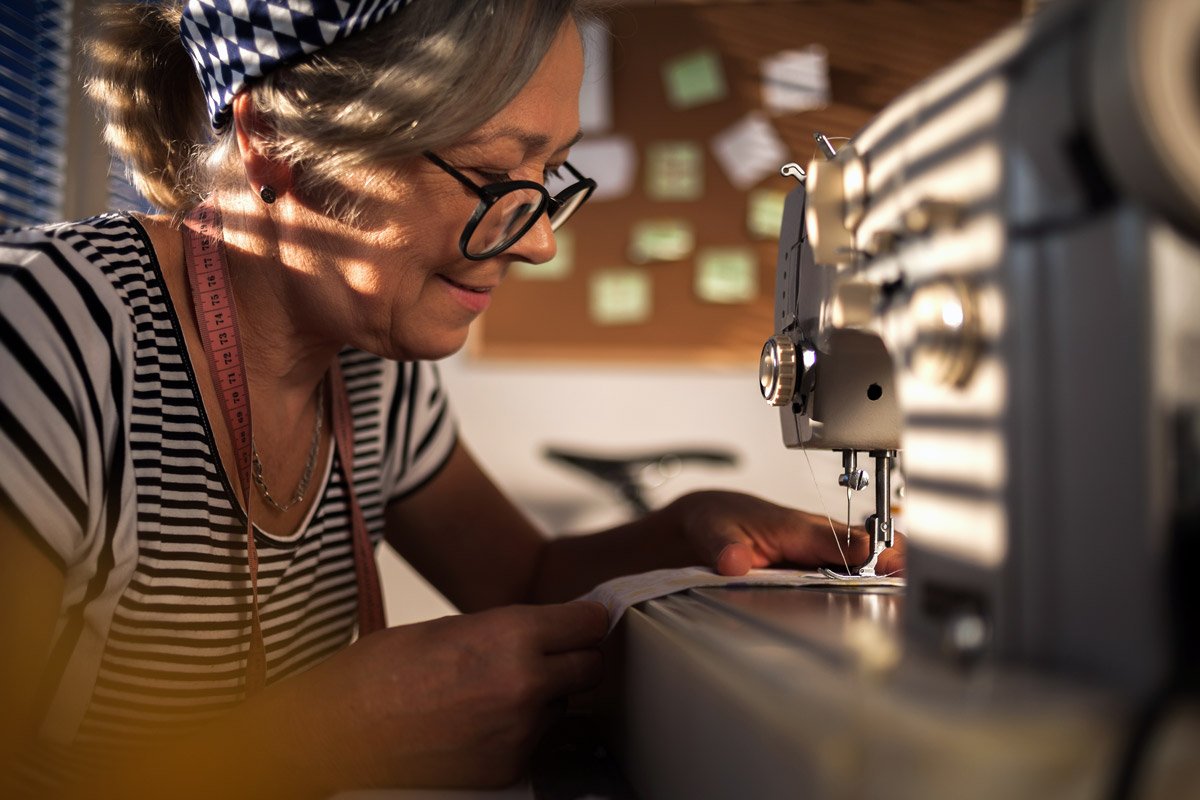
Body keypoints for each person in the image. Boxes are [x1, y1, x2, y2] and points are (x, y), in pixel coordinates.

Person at [0, 0, 905, 796]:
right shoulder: (47, 336)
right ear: (271, 139)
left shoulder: (368, 373)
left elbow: (519, 581)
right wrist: (320, 737)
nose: (540, 242)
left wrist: (685, 528)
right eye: (493, 173)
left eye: (550, 174)